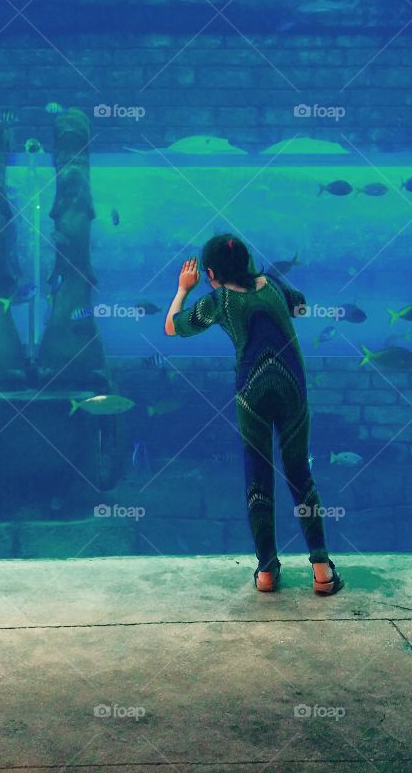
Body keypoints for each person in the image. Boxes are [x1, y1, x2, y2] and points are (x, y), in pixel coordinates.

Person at [164, 234, 343, 596]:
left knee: (258, 476)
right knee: (299, 472)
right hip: (292, 386)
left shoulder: (219, 301)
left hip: (252, 392)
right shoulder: (274, 284)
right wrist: (271, 277)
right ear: (247, 260)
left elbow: (172, 326)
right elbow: (302, 308)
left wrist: (185, 288)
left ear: (211, 272)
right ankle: (322, 571)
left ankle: (266, 571)